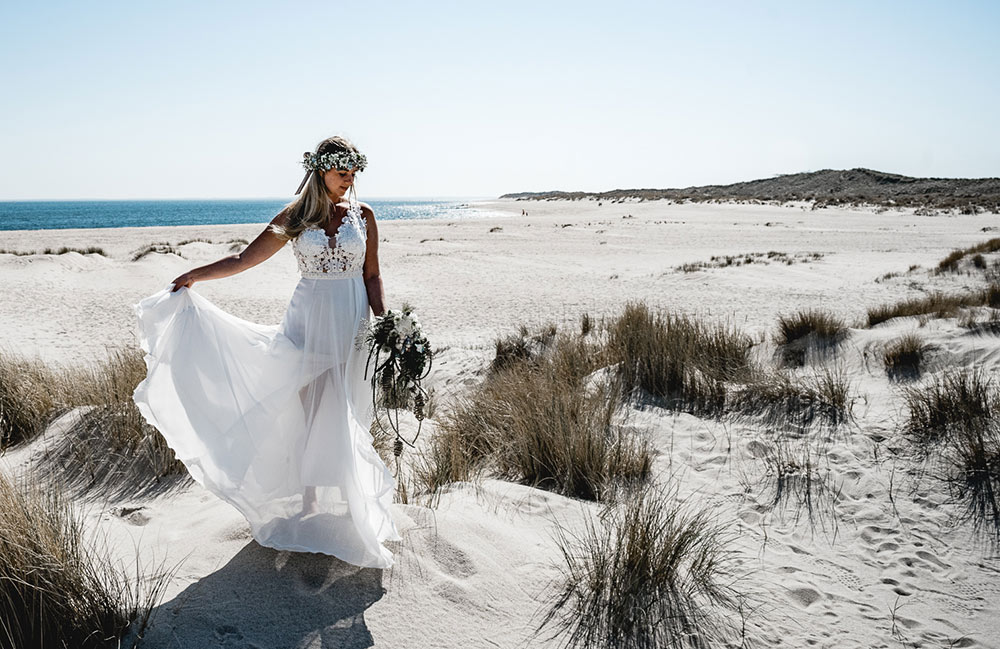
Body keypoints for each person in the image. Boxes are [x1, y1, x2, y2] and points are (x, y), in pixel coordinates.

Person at [132, 136, 401, 568]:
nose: (348, 179)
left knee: (344, 405)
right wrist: (194, 277)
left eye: (354, 171)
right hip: (306, 319)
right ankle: (309, 503)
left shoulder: (364, 217)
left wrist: (384, 322)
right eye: (341, 171)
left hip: (351, 322)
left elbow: (372, 275)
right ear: (320, 171)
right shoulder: (295, 217)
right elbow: (243, 259)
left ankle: (349, 501)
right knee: (308, 404)